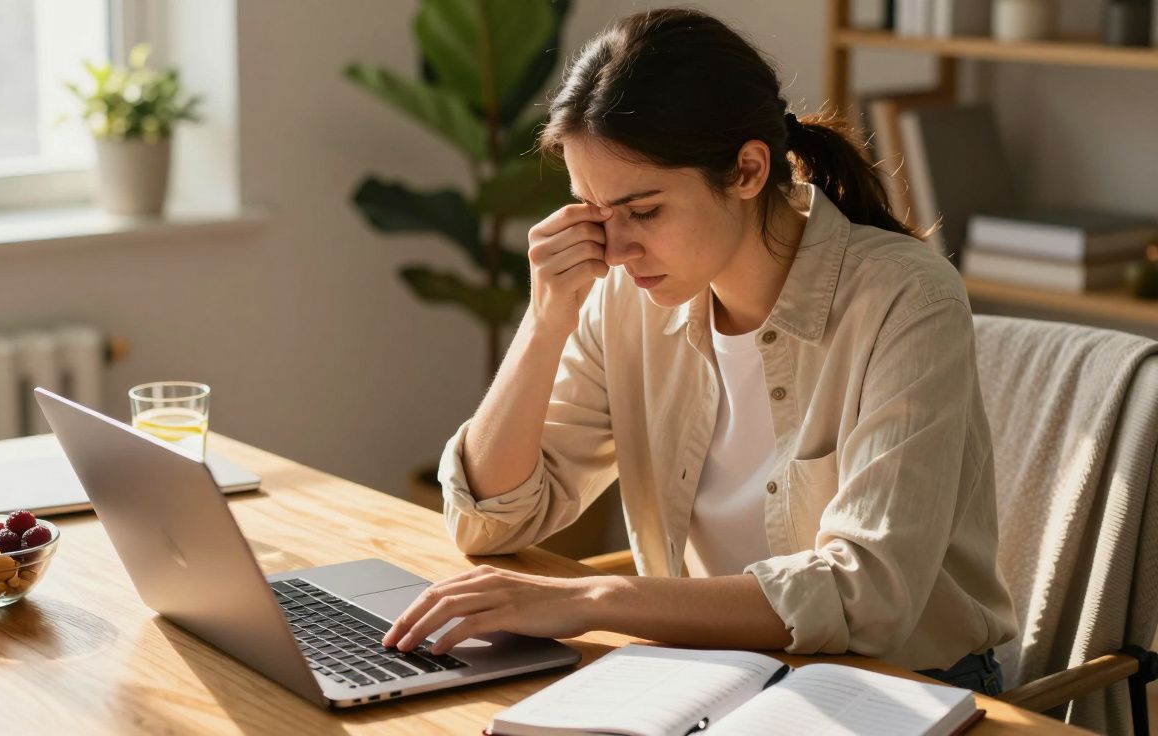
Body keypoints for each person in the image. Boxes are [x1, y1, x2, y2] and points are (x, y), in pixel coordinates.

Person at [381, 7, 1017, 695]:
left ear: (747, 170)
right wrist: (545, 320)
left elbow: (868, 593)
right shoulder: (626, 292)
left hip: (903, 691)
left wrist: (595, 600)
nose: (616, 249)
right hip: (712, 676)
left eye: (644, 211)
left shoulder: (907, 300)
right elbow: (490, 520)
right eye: (594, 212)